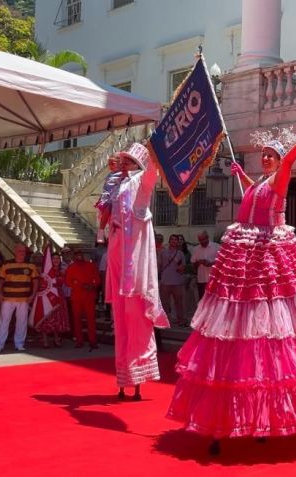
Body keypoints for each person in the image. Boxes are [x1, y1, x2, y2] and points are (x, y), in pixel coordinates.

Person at [167, 125, 296, 455]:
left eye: (271, 155)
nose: (265, 158)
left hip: (267, 257)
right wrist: (242, 174)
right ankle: (229, 419)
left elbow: (286, 168)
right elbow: (257, 191)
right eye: (263, 154)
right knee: (237, 331)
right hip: (244, 260)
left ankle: (265, 418)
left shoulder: (281, 179)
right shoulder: (260, 184)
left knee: (270, 330)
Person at [103, 142, 169, 401]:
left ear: (136, 164)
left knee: (136, 313)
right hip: (117, 249)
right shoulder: (117, 184)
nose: (122, 164)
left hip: (134, 253)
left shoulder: (142, 181)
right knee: (120, 318)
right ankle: (123, 380)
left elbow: (152, 171)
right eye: (122, 161)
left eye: (127, 161)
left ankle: (139, 378)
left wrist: (154, 150)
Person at [0, 244, 39, 353]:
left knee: (21, 322)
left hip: (24, 298)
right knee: (4, 321)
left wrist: (33, 295)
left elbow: (35, 281)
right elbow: (0, 280)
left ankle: (19, 344)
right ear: (15, 252)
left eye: (23, 251)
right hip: (7, 298)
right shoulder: (7, 264)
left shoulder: (31, 266)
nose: (22, 253)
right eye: (19, 251)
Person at [32, 252, 70, 349]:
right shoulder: (44, 271)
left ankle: (57, 339)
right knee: (46, 316)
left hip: (59, 296)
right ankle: (45, 340)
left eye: (58, 258)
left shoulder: (63, 271)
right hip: (46, 296)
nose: (56, 260)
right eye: (54, 258)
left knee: (57, 318)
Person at [65, 250, 100, 349]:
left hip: (89, 296)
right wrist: (80, 286)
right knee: (76, 320)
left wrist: (92, 285)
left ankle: (92, 341)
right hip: (77, 297)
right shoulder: (71, 267)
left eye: (81, 254)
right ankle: (79, 341)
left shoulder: (91, 266)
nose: (79, 256)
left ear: (83, 255)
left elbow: (97, 279)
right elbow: (68, 282)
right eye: (77, 255)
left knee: (91, 319)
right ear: (74, 256)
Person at [159, 234, 187, 326]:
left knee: (179, 302)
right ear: (169, 241)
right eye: (172, 239)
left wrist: (181, 268)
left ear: (177, 242)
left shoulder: (180, 253)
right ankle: (165, 320)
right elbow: (159, 266)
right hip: (165, 282)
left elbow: (183, 267)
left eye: (176, 240)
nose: (174, 241)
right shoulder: (163, 253)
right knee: (164, 303)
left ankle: (181, 320)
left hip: (177, 282)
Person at [190, 230, 220, 302]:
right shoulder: (196, 249)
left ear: (207, 237)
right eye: (200, 240)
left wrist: (211, 263)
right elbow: (193, 265)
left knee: (214, 302)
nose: (202, 242)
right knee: (202, 301)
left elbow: (222, 262)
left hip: (214, 279)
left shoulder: (216, 247)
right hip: (201, 280)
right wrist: (199, 262)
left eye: (203, 239)